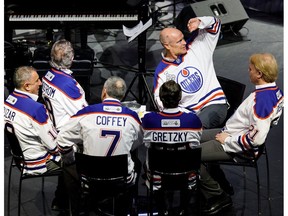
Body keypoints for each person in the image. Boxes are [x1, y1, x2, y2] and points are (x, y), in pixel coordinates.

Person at [199, 53, 284, 215]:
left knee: (188, 156)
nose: (248, 71)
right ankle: (220, 181)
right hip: (231, 133)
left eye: (250, 69)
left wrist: (228, 140)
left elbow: (256, 139)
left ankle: (218, 196)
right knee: (190, 137)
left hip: (238, 146)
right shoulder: (275, 90)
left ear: (259, 74)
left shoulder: (261, 102)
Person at [57, 76, 144, 215]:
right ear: (122, 95)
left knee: (68, 166)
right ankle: (128, 205)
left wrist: (69, 158)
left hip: (89, 178)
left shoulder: (86, 113)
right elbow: (138, 141)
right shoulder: (132, 117)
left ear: (104, 91)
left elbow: (61, 139)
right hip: (121, 180)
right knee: (137, 162)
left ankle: (75, 209)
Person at [4, 66, 67, 211]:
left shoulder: (8, 101)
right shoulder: (36, 109)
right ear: (26, 86)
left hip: (19, 157)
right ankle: (66, 203)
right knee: (74, 159)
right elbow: (54, 146)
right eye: (37, 80)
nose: (40, 83)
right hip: (36, 163)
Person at [153, 16, 228, 129]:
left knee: (191, 130)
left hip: (214, 104)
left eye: (183, 38)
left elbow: (216, 24)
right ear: (167, 46)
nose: (184, 42)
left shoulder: (197, 45)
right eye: (179, 41)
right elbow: (161, 101)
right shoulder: (161, 72)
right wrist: (182, 115)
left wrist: (200, 21)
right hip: (188, 114)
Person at [142, 80, 203, 215]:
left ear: (161, 98)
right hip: (187, 176)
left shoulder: (149, 120)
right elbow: (196, 143)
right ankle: (183, 209)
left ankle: (162, 209)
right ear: (180, 98)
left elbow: (144, 141)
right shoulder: (193, 120)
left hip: (157, 177)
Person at [41, 39, 88, 131]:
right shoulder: (67, 85)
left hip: (53, 126)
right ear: (72, 58)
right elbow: (85, 116)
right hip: (67, 133)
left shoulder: (47, 75)